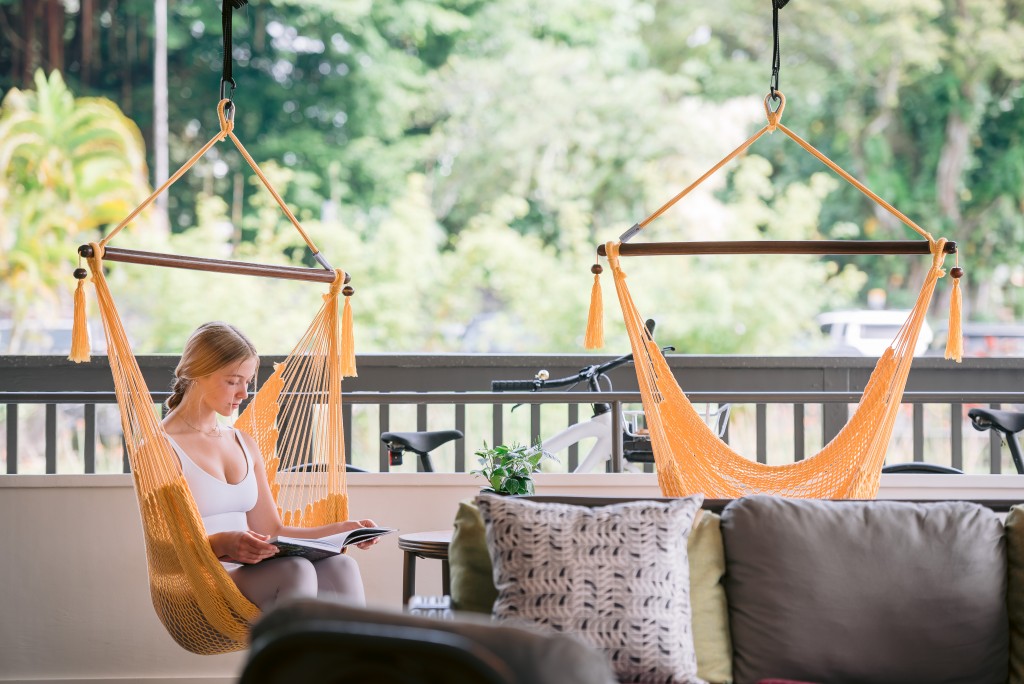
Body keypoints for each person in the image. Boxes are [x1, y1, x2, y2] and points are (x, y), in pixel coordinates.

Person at [162, 321, 374, 610]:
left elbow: (272, 530)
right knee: (295, 570)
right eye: (233, 381)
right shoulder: (161, 448)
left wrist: (342, 530)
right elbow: (166, 551)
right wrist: (223, 543)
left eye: (247, 382)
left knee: (342, 565)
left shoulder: (243, 442)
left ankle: (353, 643)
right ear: (197, 373)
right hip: (202, 580)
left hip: (250, 573)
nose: (243, 393)